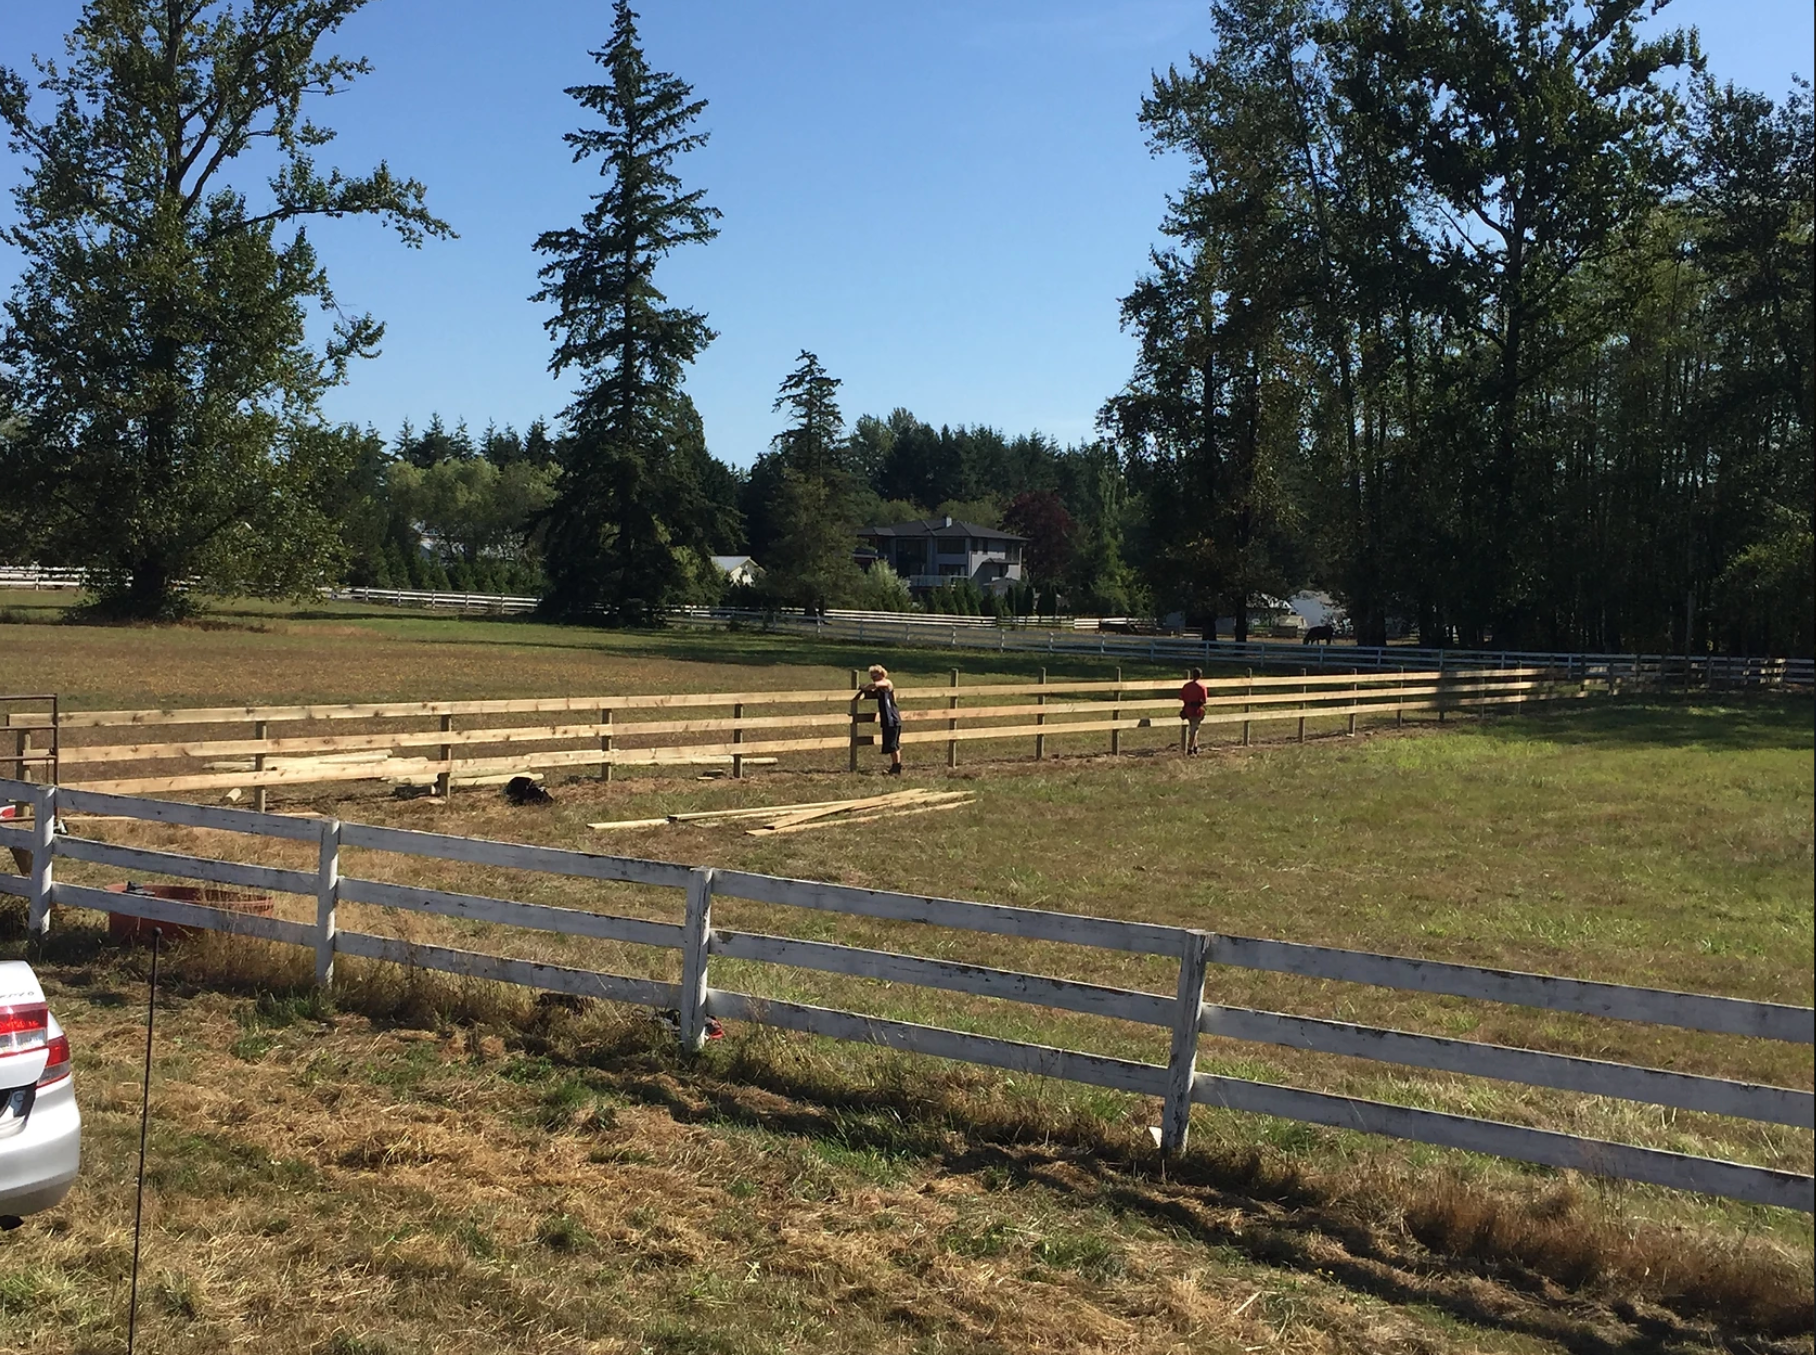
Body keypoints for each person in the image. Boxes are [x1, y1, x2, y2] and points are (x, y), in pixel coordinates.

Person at [858, 664, 903, 775]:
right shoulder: (880, 687)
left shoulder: (887, 683)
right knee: (891, 745)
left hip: (892, 718)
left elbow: (875, 685)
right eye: (872, 676)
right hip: (887, 719)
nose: (873, 678)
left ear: (882, 674)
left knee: (893, 745)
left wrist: (863, 687)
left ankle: (896, 768)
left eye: (875, 676)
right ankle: (895, 767)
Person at [1179, 667, 1209, 755]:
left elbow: (1181, 697)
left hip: (1188, 709)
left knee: (1193, 727)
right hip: (1197, 710)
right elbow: (1204, 700)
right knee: (1194, 729)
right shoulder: (1202, 687)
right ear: (1201, 676)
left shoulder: (1186, 686)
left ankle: (1195, 747)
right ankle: (1190, 748)